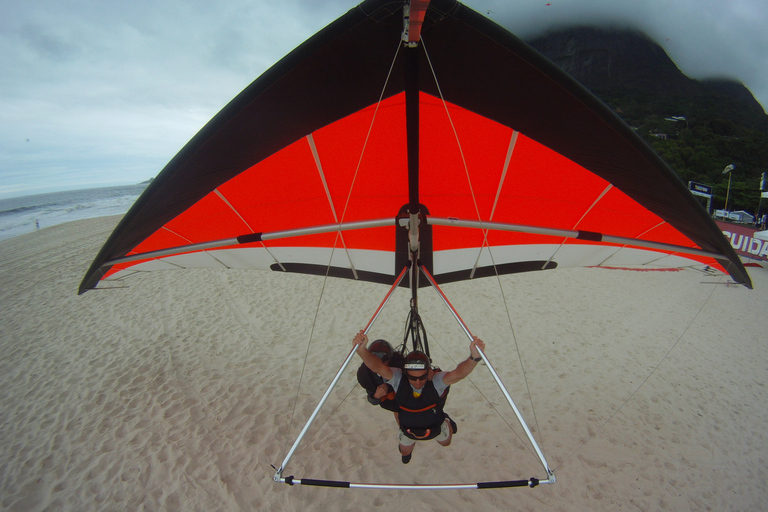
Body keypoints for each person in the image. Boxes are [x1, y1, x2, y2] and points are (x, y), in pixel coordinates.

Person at [353, 330, 486, 464]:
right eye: (412, 377)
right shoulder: (398, 378)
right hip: (408, 428)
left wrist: (474, 357)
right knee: (404, 451)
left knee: (446, 443)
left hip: (435, 425)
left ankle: (446, 421)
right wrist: (362, 350)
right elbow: (378, 368)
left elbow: (458, 374)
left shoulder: (436, 381)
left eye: (422, 377)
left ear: (429, 371)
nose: (417, 382)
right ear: (405, 373)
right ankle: (407, 452)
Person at [356, 339, 403, 415]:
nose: (378, 366)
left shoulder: (399, 365)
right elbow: (371, 397)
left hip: (401, 398)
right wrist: (376, 396)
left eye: (383, 362)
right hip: (389, 402)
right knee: (397, 410)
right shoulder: (365, 374)